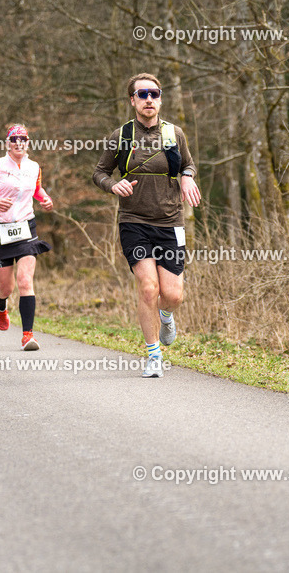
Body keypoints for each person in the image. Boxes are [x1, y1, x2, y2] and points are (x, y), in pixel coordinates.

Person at [92, 73, 200, 378]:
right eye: (142, 94)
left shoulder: (174, 134)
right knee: (148, 288)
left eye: (154, 94)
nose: (149, 99)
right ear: (133, 100)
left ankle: (166, 315)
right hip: (134, 222)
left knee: (173, 295)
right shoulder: (121, 136)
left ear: (161, 98)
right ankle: (154, 355)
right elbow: (99, 172)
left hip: (169, 222)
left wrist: (188, 176)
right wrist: (113, 186)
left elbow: (188, 164)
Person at [0, 124, 53, 350]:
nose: (19, 142)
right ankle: (0, 304)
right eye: (14, 138)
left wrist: (45, 199)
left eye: (23, 139)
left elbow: (37, 190)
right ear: (7, 143)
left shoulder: (34, 166)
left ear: (28, 142)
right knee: (6, 288)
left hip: (26, 228)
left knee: (25, 281)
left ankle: (28, 335)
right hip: (0, 230)